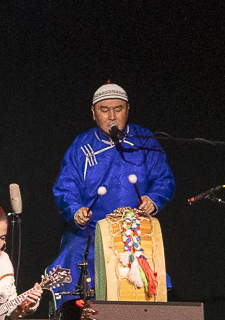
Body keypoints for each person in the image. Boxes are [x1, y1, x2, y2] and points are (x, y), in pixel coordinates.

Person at [46, 82, 175, 300]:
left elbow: (164, 179)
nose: (112, 116)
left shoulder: (144, 141)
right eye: (104, 110)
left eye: (118, 109)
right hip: (90, 232)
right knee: (74, 260)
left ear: (128, 109)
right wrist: (76, 210)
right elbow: (65, 187)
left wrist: (153, 199)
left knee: (149, 270)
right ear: (94, 114)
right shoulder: (82, 146)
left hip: (134, 232)